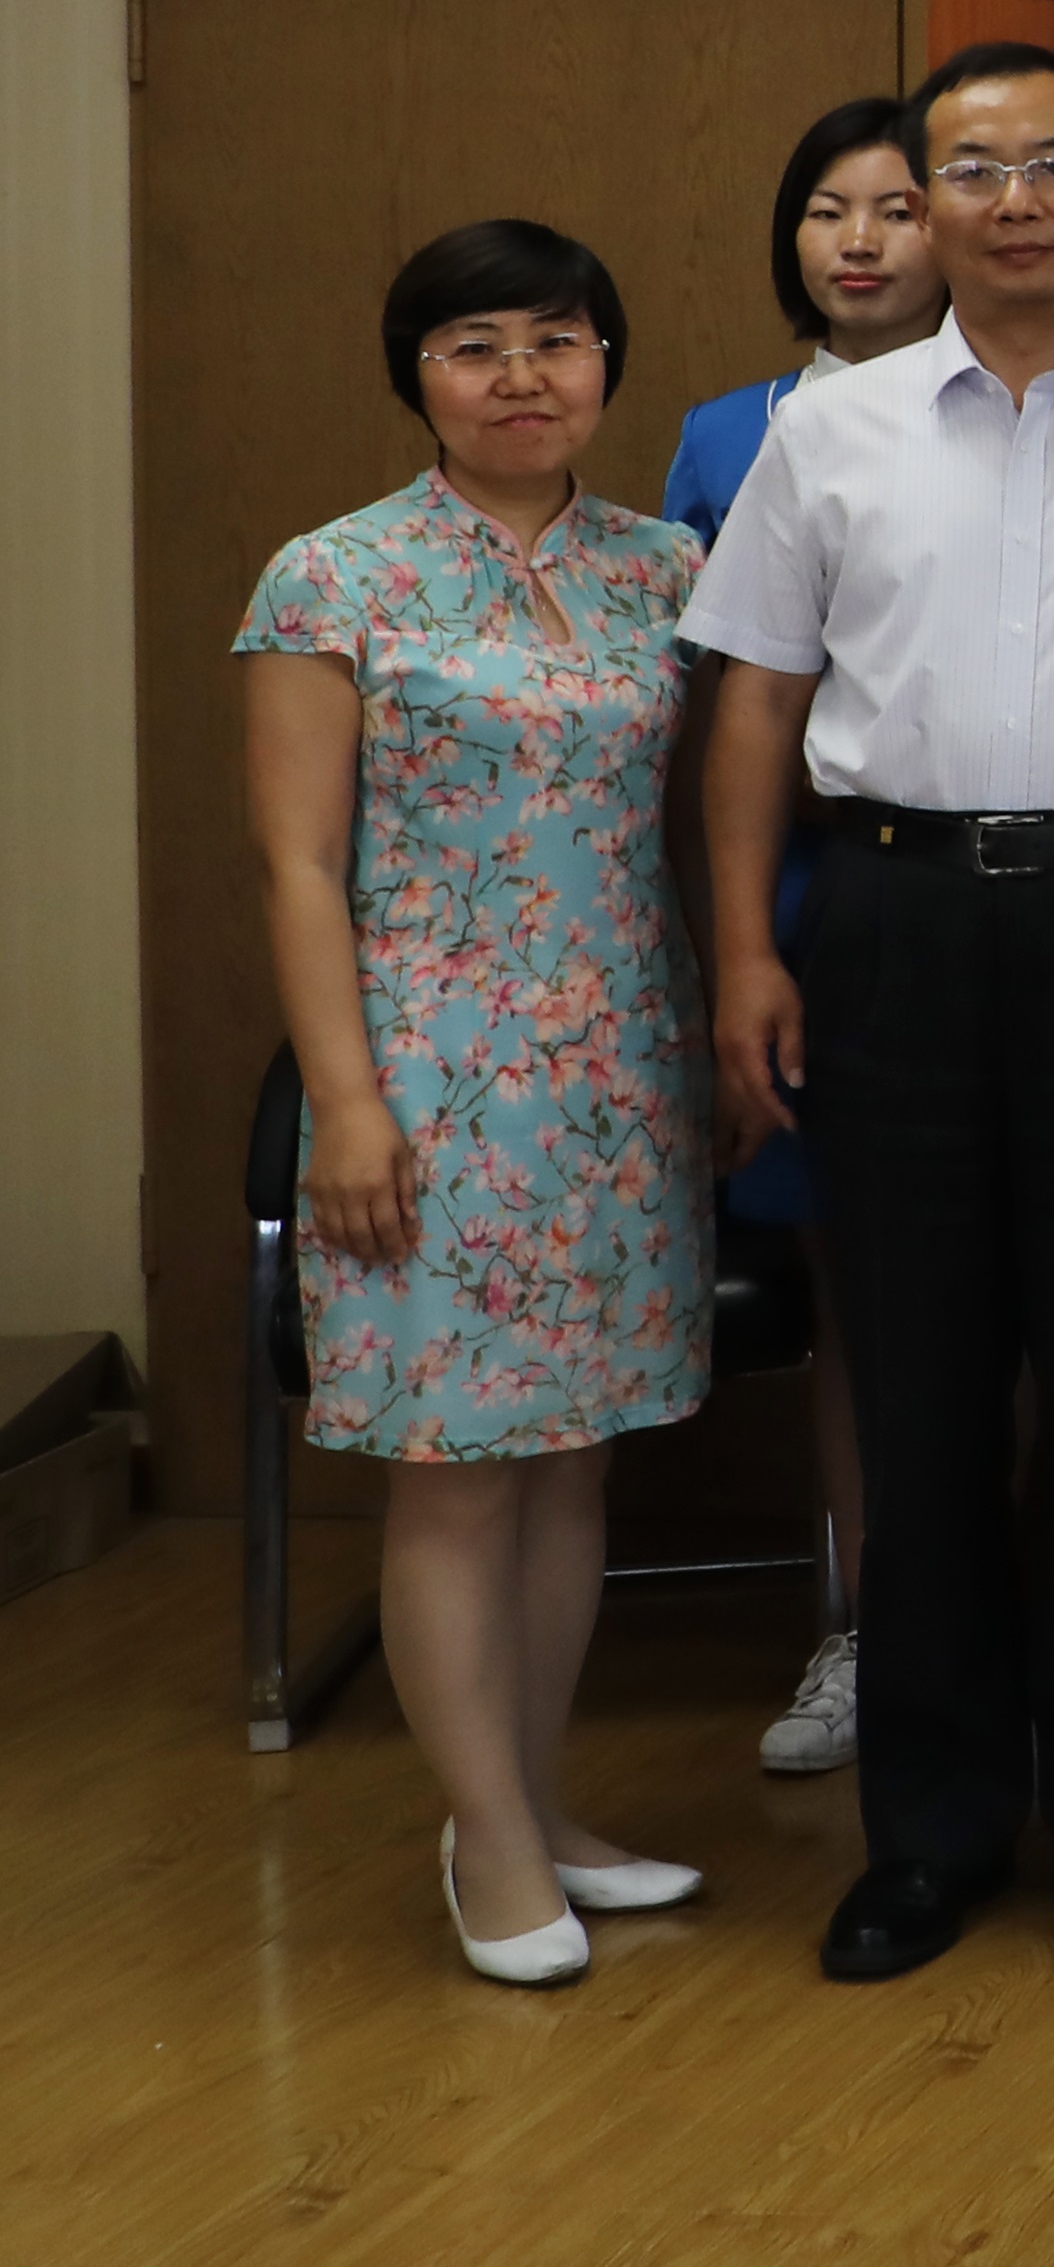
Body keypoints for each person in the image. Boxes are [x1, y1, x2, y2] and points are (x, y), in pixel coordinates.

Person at [684, 42, 1054, 1984]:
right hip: (892, 920)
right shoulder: (827, 433)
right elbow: (756, 702)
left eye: (1052, 164)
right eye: (974, 169)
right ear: (925, 207)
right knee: (916, 1393)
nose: (1015, 201)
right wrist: (746, 951)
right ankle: (927, 1829)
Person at [240, 221, 719, 1986]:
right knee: (456, 1476)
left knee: (574, 1462)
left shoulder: (667, 570)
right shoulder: (332, 575)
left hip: (623, 1075)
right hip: (428, 1086)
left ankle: (532, 1803)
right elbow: (300, 867)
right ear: (417, 377)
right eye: (475, 344)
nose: (523, 373)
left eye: (557, 338)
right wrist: (343, 1104)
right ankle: (492, 1846)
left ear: (604, 362)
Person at [665, 96, 947, 1780]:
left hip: (1000, 878)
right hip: (806, 888)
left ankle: (988, 1620)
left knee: (1017, 1278)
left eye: (895, 206)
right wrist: (731, 943)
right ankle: (870, 1621)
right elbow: (712, 711)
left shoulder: (1040, 407)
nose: (860, 239)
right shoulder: (727, 433)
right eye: (829, 208)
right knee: (858, 1281)